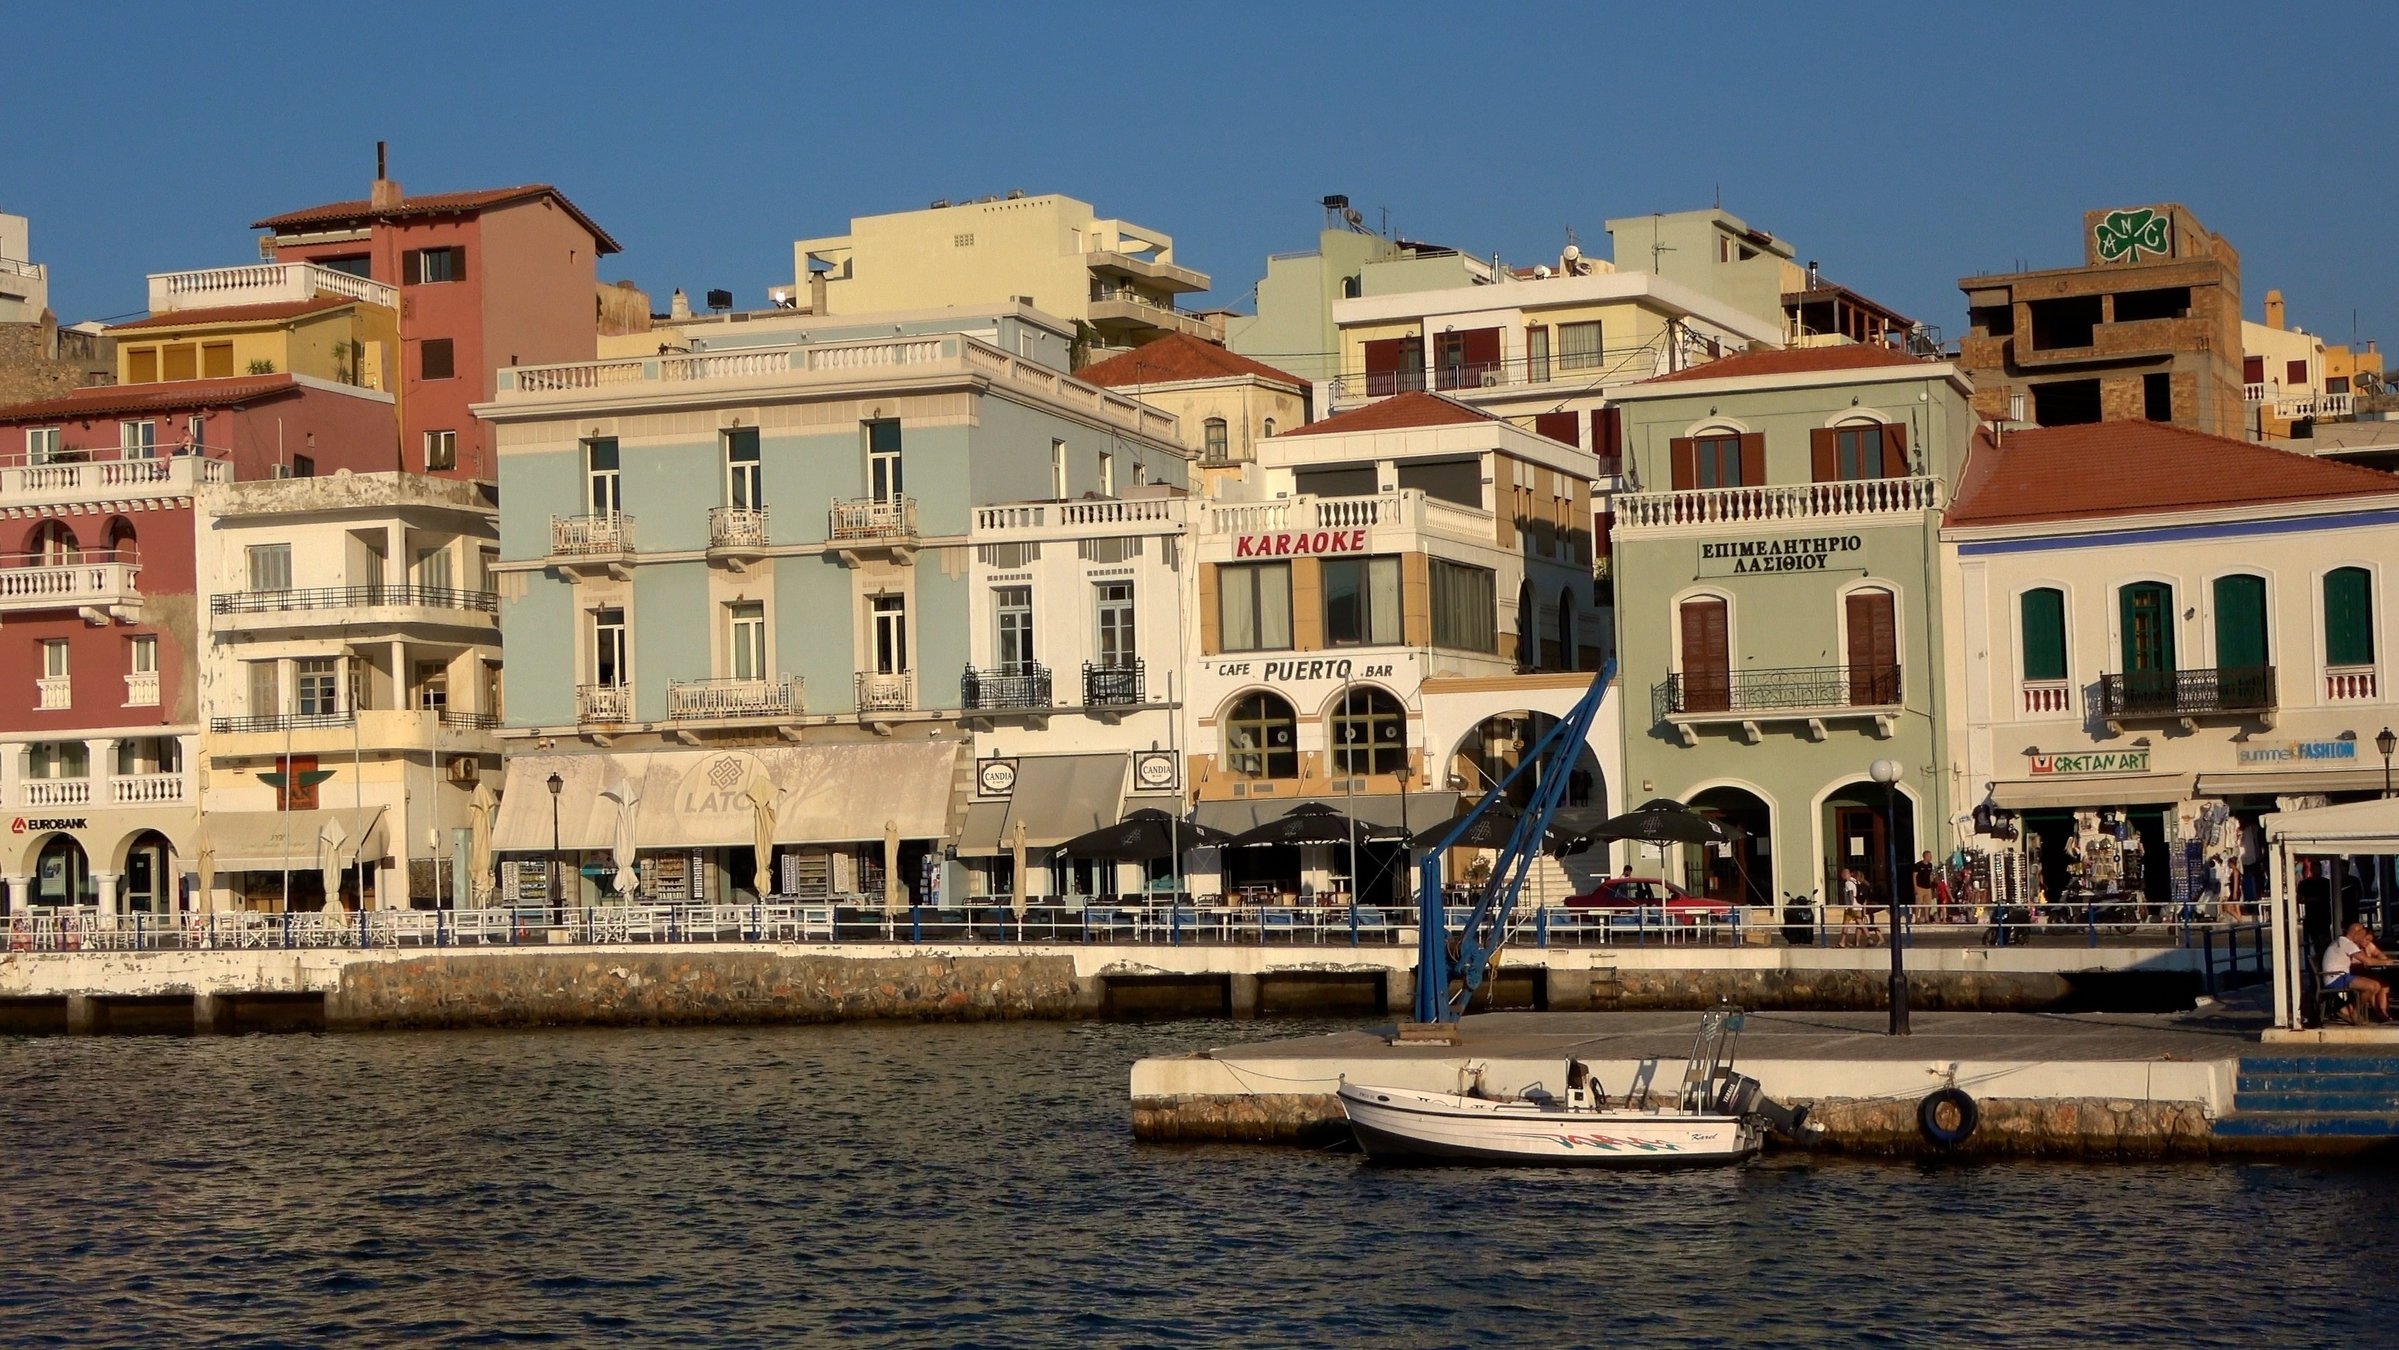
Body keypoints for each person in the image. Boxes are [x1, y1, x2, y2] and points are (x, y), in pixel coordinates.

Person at [2322, 921, 2391, 1024]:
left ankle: (2350, 1008)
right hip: (2336, 977)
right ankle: (2354, 1011)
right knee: (2372, 986)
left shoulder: (2342, 941)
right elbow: (2368, 961)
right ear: (2356, 932)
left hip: (2338, 975)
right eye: (2362, 934)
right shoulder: (2347, 944)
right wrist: (2386, 961)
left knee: (2376, 985)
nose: (2363, 937)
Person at [1912, 851, 1937, 926]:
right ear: (1925, 856)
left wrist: (1933, 882)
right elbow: (1914, 876)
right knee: (1918, 903)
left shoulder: (1930, 865)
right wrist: (1915, 887)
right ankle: (1917, 918)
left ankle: (1927, 919)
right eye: (1929, 856)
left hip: (1928, 888)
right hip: (1920, 887)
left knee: (1927, 904)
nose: (1930, 857)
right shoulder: (1918, 865)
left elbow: (1930, 875)